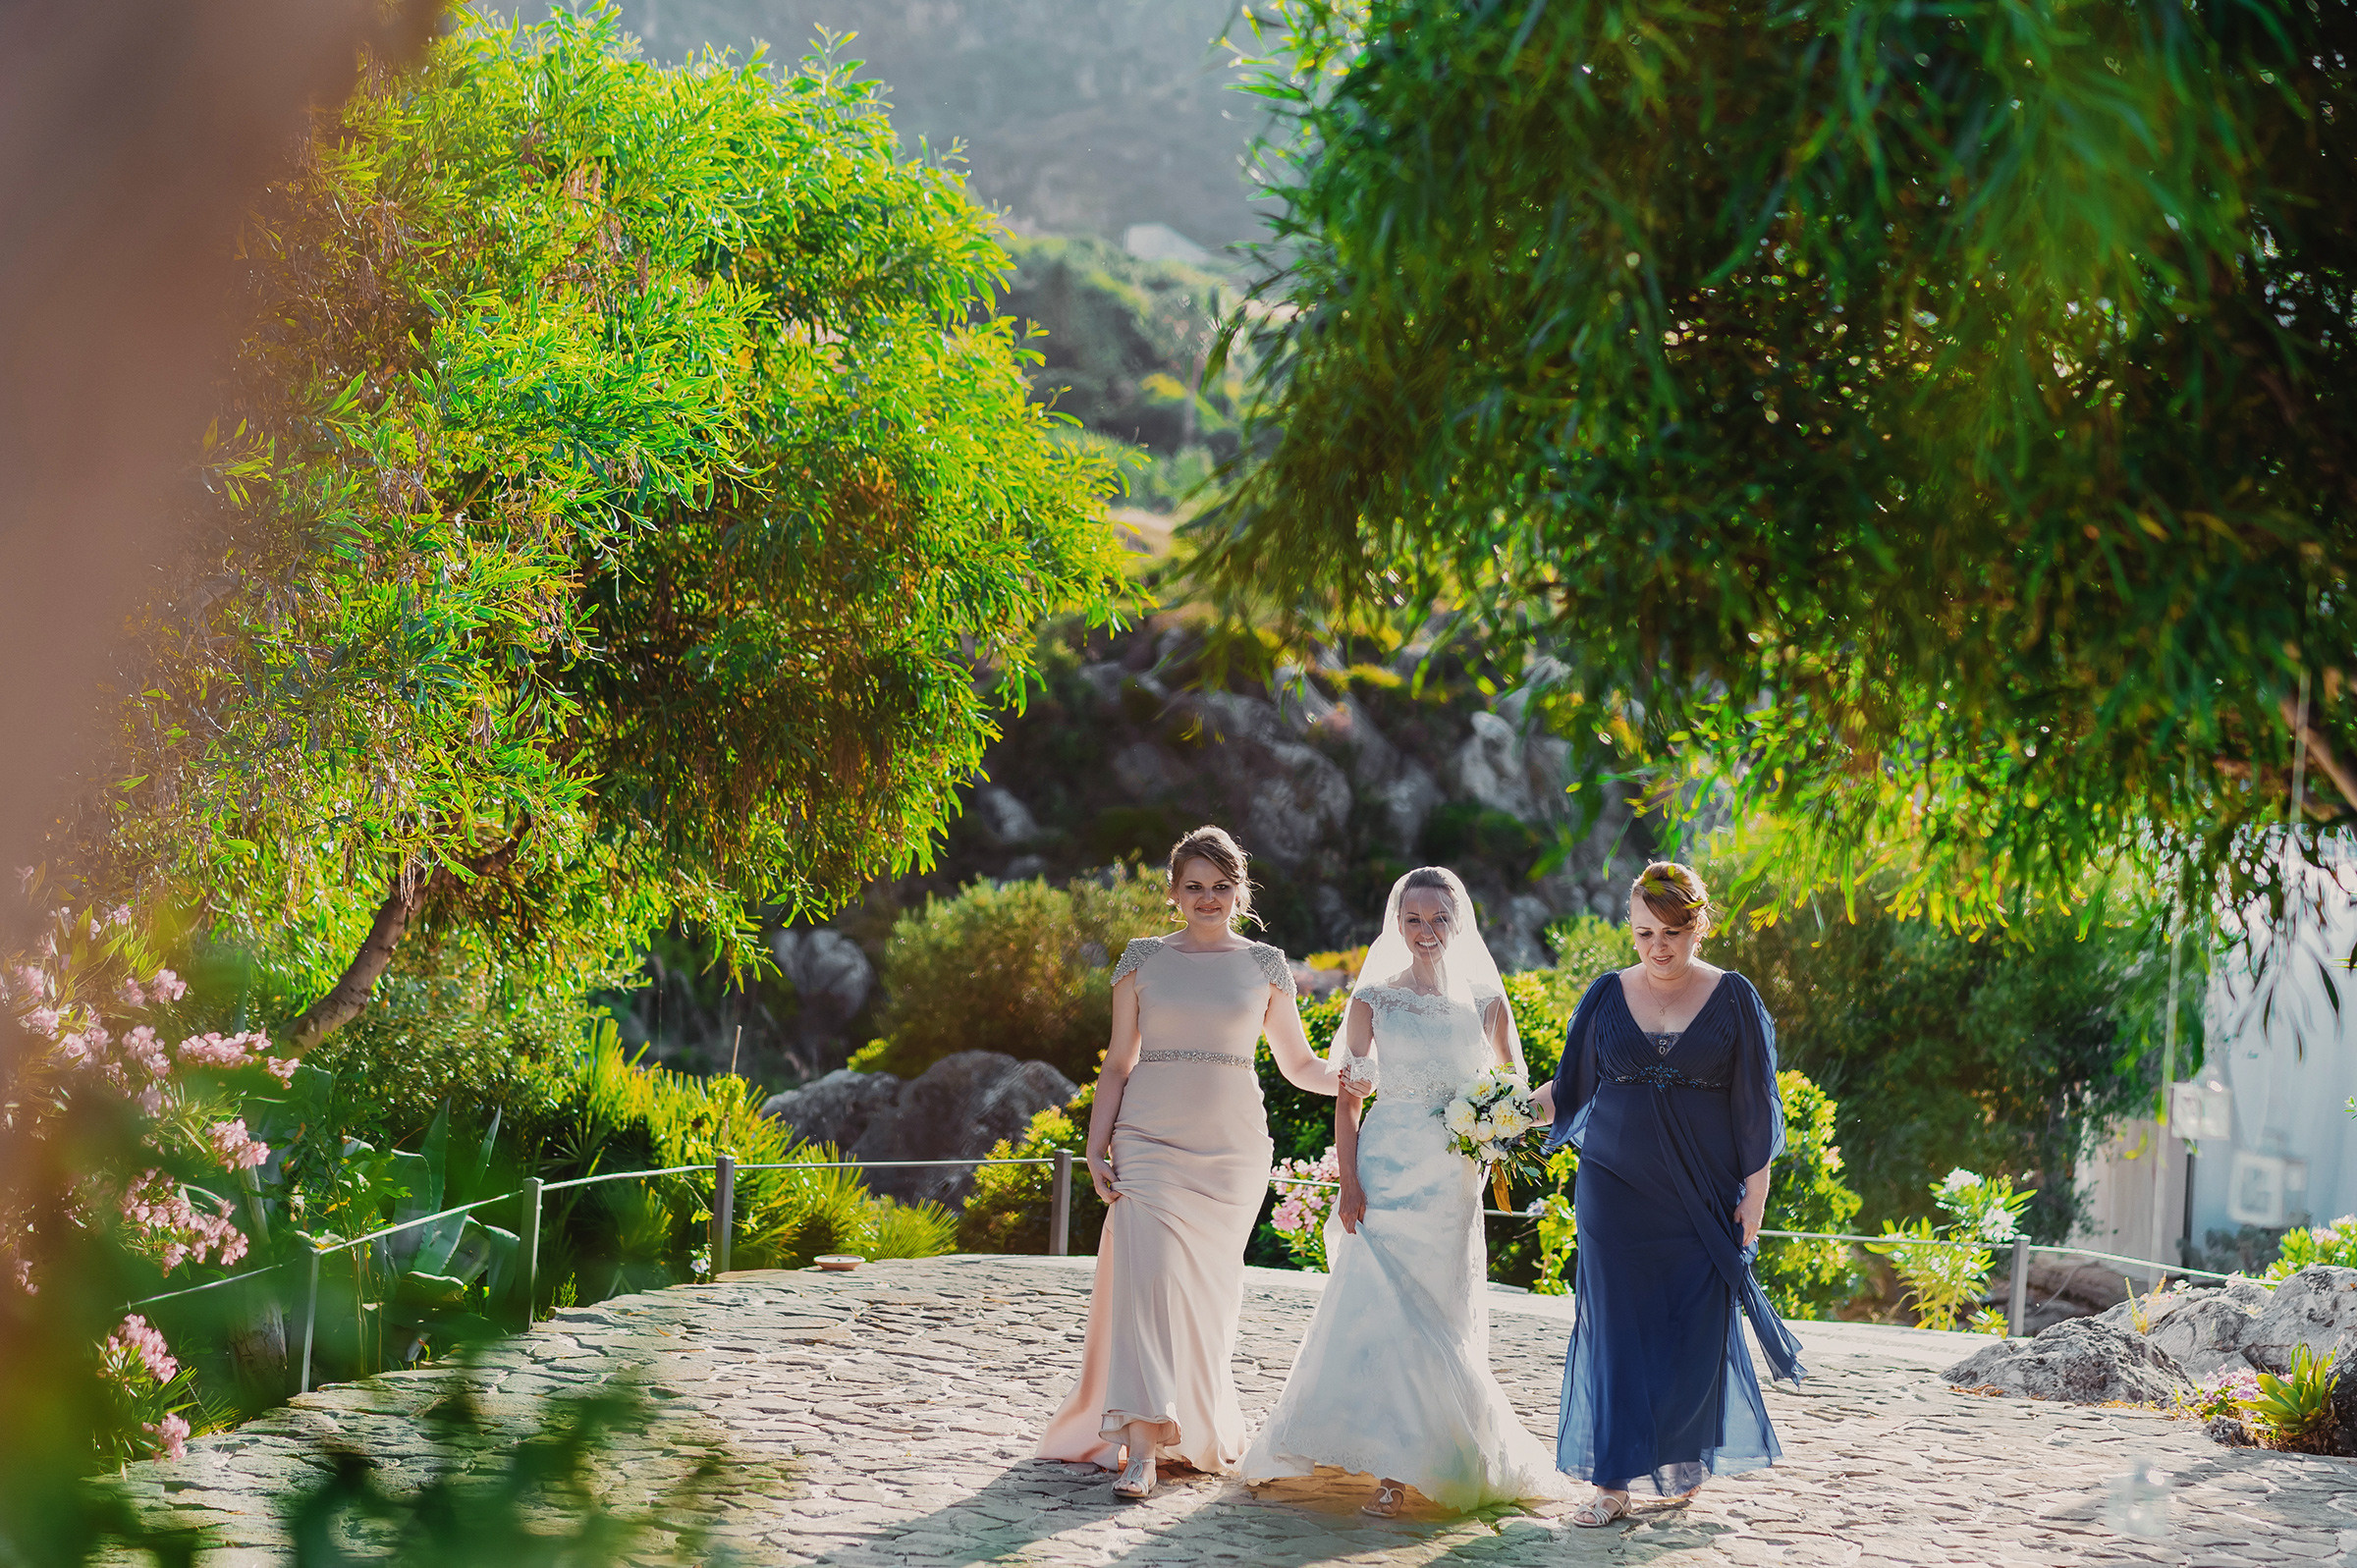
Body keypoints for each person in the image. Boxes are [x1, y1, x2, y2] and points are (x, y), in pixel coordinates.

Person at [1241, 867, 1569, 1516]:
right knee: (1380, 1310)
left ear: (1458, 923)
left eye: (1439, 919)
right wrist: (1350, 1181)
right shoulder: (1373, 999)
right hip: (1387, 1169)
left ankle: (1434, 1456)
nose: (1427, 931)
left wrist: (1492, 1131)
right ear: (1398, 923)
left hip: (1450, 1179)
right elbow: (1349, 1099)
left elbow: (1511, 1091)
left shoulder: (1486, 1002)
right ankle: (1391, 1466)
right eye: (1414, 919)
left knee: (1438, 1313)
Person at [1037, 826, 1339, 1499]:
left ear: (1240, 889)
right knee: (1144, 1283)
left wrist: (1354, 1077)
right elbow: (1118, 1064)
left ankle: (1196, 1428)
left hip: (1232, 1154)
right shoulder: (1142, 960)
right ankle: (1142, 1446)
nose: (1209, 898)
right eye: (1195, 886)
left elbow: (1298, 1064)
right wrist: (1095, 1144)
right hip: (1146, 1141)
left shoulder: (1265, 964)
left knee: (1207, 1299)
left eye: (1221, 886)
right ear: (1173, 892)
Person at [1530, 861, 1807, 1528]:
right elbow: (1568, 1090)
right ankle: (1612, 1480)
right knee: (1616, 1330)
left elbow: (1754, 1106)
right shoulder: (1604, 995)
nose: (1658, 946)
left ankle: (1681, 1457)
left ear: (1697, 926)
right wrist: (1498, 1108)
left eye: (1672, 931)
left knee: (1694, 1328)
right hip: (1613, 1187)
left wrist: (1755, 1193)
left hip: (1700, 1191)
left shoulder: (1734, 997)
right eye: (1644, 932)